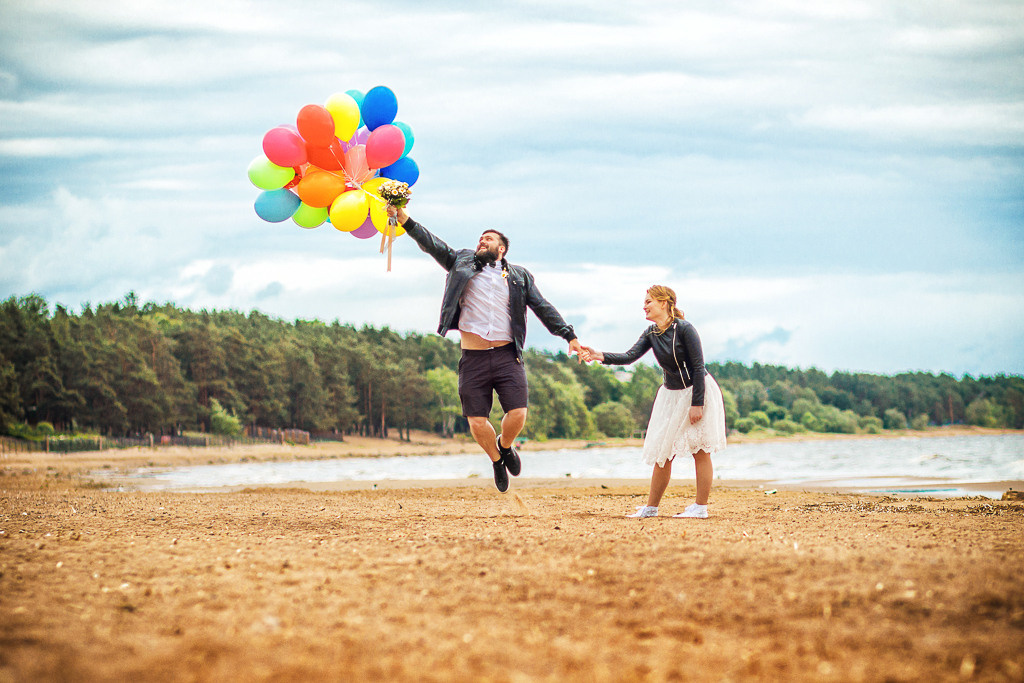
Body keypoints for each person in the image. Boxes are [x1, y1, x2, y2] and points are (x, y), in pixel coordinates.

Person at [387, 205, 585, 493]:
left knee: (518, 414)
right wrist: (404, 218)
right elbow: (431, 243)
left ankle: (505, 446)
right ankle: (495, 460)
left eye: (489, 239)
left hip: (507, 356)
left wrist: (569, 335)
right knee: (477, 421)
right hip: (473, 358)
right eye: (481, 238)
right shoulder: (460, 262)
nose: (482, 241)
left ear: (502, 249)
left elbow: (542, 307)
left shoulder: (520, 276)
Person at [581, 285, 726, 518]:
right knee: (662, 451)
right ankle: (651, 508)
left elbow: (698, 367)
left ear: (665, 302)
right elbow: (629, 357)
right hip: (670, 395)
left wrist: (697, 404)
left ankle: (700, 507)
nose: (644, 306)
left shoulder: (686, 330)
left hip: (695, 391)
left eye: (649, 301)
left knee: (700, 449)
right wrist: (600, 355)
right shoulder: (651, 333)